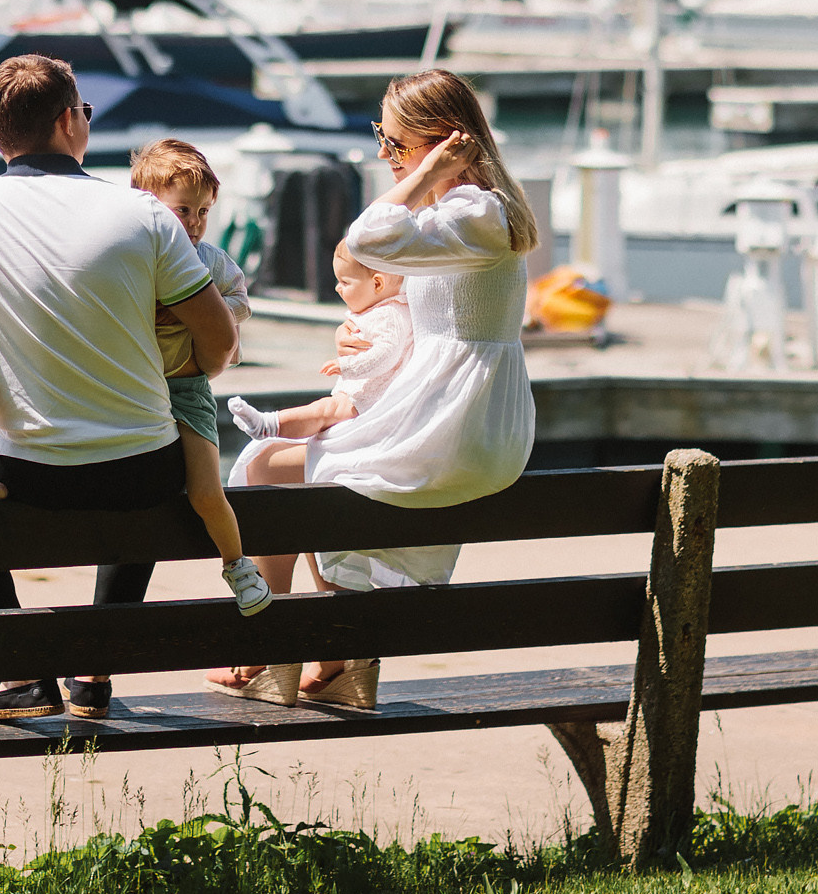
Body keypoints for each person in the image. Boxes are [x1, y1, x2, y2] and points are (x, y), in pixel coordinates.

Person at [0, 55, 241, 722]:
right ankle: (93, 668)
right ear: (69, 120)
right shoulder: (144, 217)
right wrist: (185, 368)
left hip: (29, 473)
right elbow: (220, 339)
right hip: (143, 474)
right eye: (84, 111)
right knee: (153, 457)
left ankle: (21, 669)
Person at [212, 67, 538, 710]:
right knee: (313, 471)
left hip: (458, 425)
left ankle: (271, 645)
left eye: (396, 144)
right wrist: (375, 339)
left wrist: (426, 174)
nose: (386, 157)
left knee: (265, 466)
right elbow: (434, 306)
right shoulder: (467, 215)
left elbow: (365, 240)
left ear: (444, 142)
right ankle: (338, 659)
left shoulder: (474, 211)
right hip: (462, 415)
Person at [129, 138, 271, 616]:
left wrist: (203, 313)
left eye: (203, 212)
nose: (192, 223)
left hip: (187, 387)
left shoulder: (210, 259)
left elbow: (240, 300)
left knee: (207, 489)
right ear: (147, 207)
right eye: (181, 210)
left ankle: (237, 565)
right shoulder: (132, 259)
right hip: (133, 383)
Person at [226, 242, 410, 443]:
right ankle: (268, 424)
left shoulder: (389, 315)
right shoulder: (376, 309)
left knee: (323, 411)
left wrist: (347, 366)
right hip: (361, 393)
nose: (337, 288)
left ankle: (268, 425)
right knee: (321, 412)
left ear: (377, 284)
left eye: (345, 282)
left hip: (372, 398)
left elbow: (387, 353)